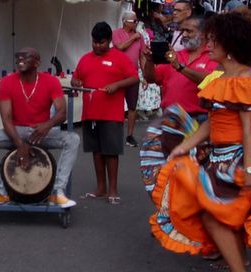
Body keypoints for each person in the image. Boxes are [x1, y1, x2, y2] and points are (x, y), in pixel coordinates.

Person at [145, 12, 251, 272]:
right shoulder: (220, 79)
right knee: (219, 217)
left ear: (229, 46)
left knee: (215, 216)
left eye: (213, 41)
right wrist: (185, 146)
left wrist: (248, 169)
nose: (208, 47)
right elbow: (210, 123)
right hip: (220, 159)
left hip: (236, 161)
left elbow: (249, 129)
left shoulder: (246, 80)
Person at [0, 47, 79, 208]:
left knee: (73, 139)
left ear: (37, 62)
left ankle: (57, 192)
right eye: (18, 57)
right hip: (15, 131)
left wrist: (47, 125)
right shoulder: (7, 82)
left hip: (41, 133)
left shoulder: (50, 81)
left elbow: (62, 112)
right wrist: (19, 144)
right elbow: (6, 118)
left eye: (26, 57)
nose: (20, 59)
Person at [71, 21, 138, 204]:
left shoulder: (120, 57)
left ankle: (113, 189)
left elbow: (134, 77)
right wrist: (75, 82)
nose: (97, 46)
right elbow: (76, 78)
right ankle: (101, 187)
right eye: (94, 42)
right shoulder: (85, 58)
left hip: (111, 113)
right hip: (90, 113)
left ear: (109, 40)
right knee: (96, 151)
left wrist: (117, 85)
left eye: (101, 42)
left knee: (111, 151)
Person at [140, 15, 217, 121]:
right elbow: (151, 78)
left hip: (199, 118)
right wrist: (149, 61)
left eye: (189, 31)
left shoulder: (213, 56)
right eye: (183, 31)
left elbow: (210, 81)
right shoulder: (175, 55)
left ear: (204, 33)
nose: (184, 34)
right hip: (170, 117)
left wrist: (180, 68)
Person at [112, 12, 146, 146]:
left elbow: (142, 56)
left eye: (137, 21)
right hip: (118, 74)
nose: (136, 23)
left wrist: (145, 75)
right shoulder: (116, 33)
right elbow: (120, 47)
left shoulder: (139, 37)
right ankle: (115, 133)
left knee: (132, 106)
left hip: (133, 75)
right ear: (125, 22)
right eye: (134, 21)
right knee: (116, 105)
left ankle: (130, 135)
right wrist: (134, 38)